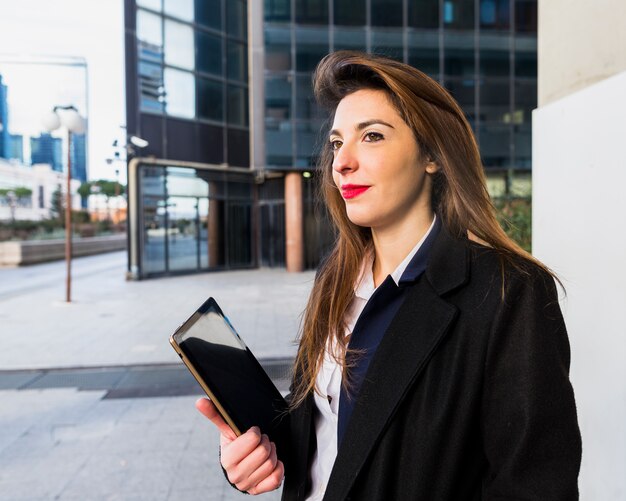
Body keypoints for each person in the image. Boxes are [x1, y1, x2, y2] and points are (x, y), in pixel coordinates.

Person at [196, 51, 582, 500]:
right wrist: (253, 457)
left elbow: (536, 487)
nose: (342, 162)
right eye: (338, 143)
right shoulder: (335, 278)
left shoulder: (506, 292)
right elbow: (328, 436)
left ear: (432, 156)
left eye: (372, 136)